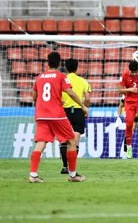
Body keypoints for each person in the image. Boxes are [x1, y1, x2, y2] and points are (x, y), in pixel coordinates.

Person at [29, 52, 88, 183]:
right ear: (59, 63)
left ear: (47, 63)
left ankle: (33, 175)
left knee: (40, 144)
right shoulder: (61, 76)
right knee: (71, 141)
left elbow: (34, 97)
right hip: (56, 115)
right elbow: (70, 92)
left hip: (41, 115)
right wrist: (82, 106)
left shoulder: (39, 77)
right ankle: (73, 175)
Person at [59, 58, 91, 174]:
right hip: (78, 111)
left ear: (66, 68)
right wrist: (85, 108)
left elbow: (58, 96)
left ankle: (64, 166)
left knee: (64, 140)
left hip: (64, 111)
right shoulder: (83, 81)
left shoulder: (62, 80)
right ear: (77, 68)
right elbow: (87, 98)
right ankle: (72, 168)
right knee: (75, 140)